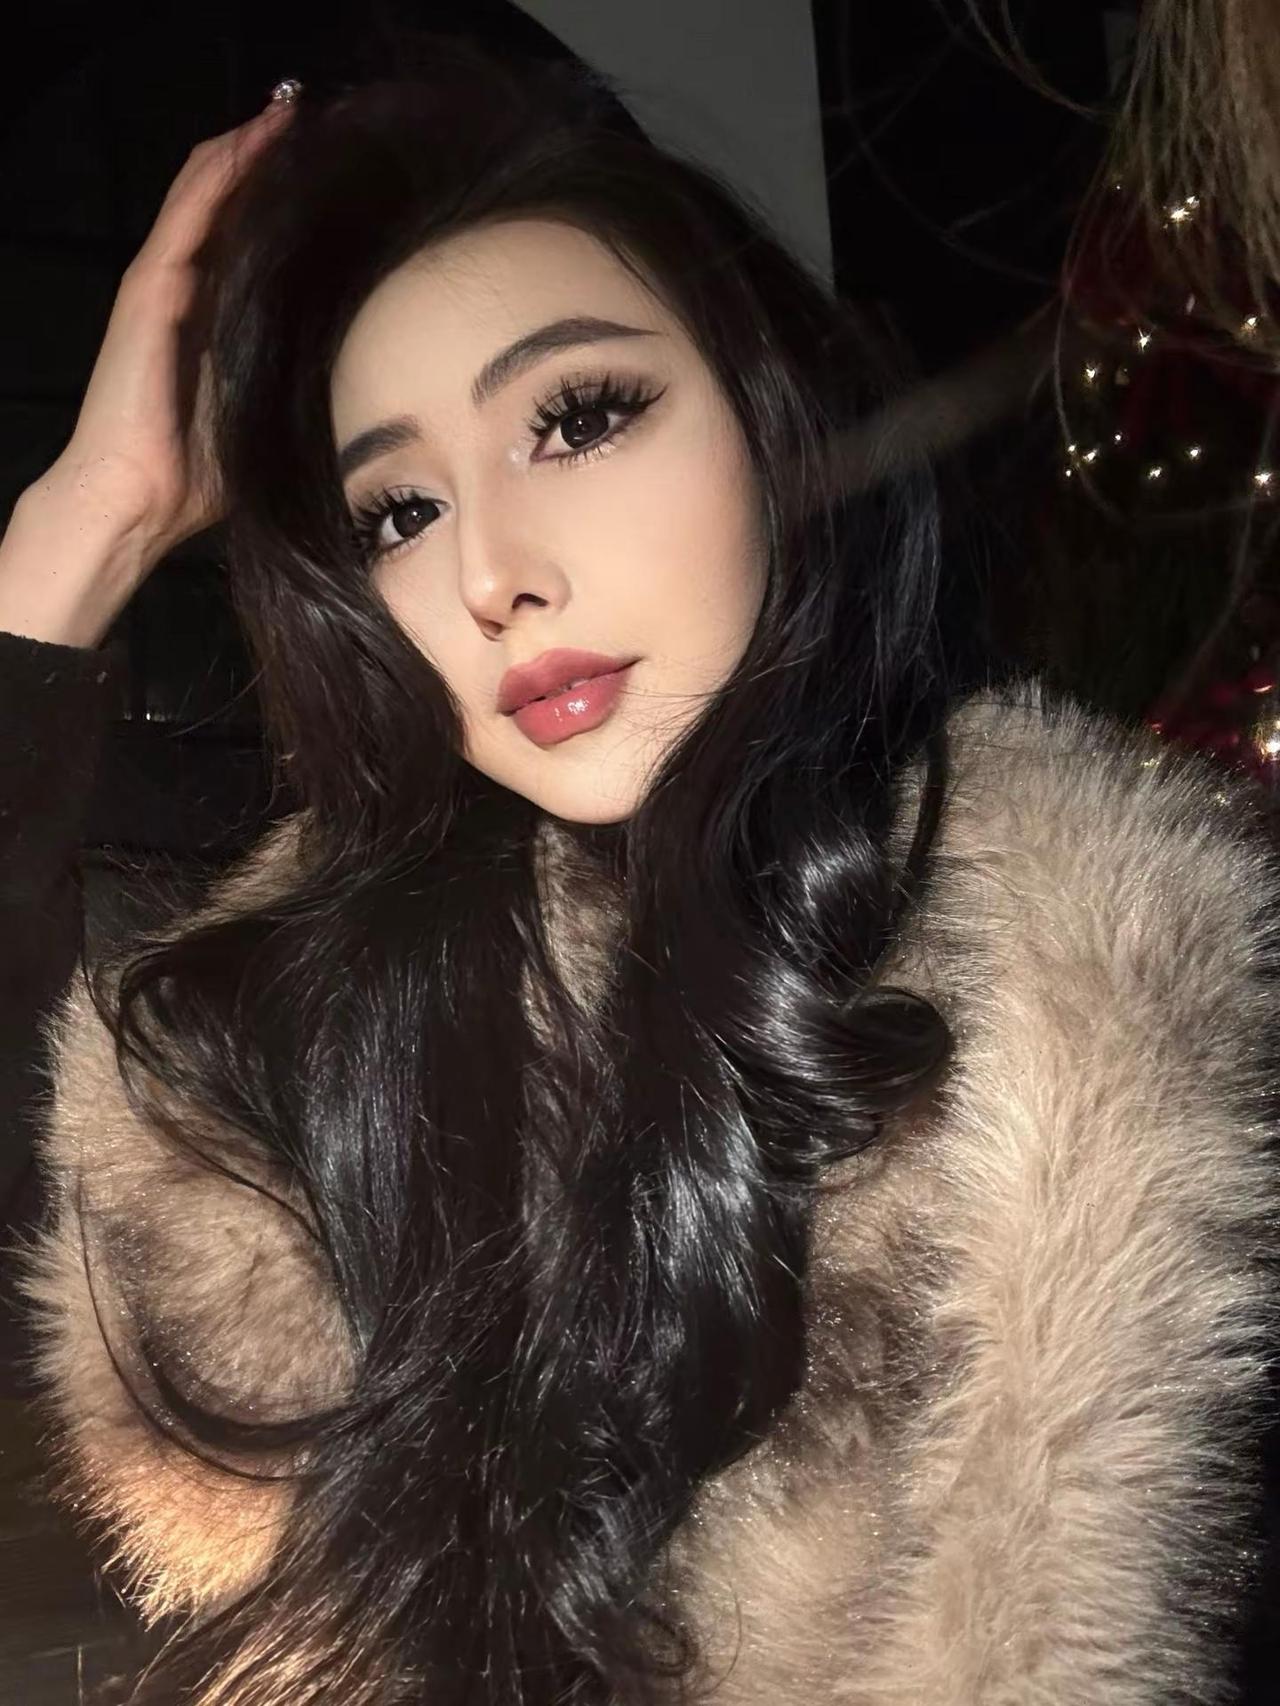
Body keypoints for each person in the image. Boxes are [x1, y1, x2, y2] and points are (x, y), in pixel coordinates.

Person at [3, 37, 1278, 1706]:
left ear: (768, 418)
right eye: (397, 512)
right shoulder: (299, 1058)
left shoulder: (1150, 1024)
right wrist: (84, 527)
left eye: (579, 416)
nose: (492, 573)